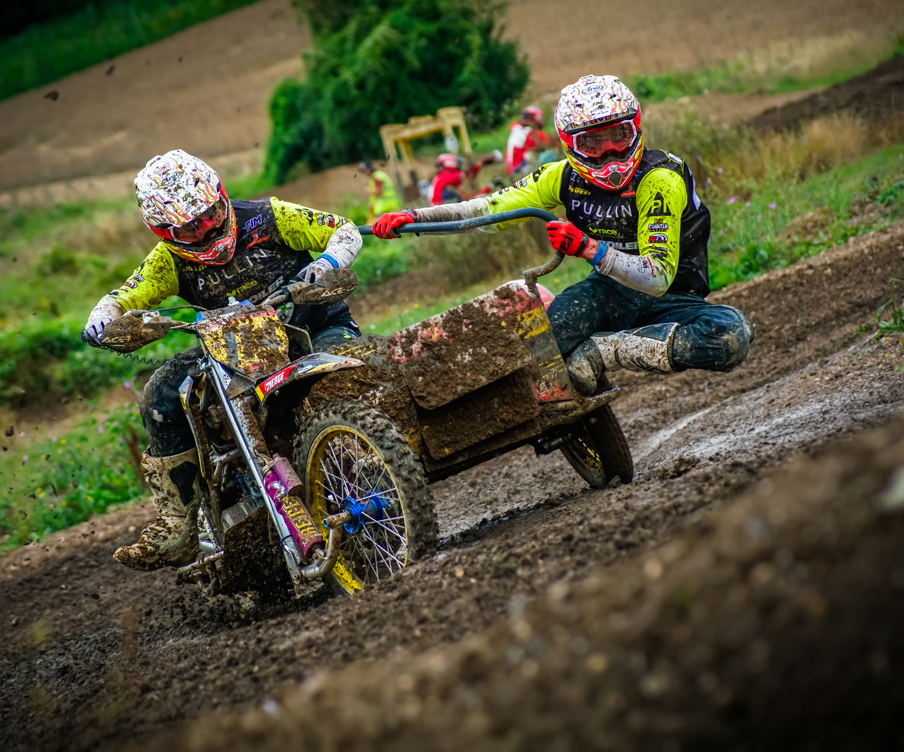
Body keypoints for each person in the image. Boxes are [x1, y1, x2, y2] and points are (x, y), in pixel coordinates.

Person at [374, 74, 753, 394]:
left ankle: (600, 351)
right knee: (539, 350)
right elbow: (488, 207)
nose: (608, 153)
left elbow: (656, 278)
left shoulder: (660, 179)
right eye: (592, 142)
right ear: (571, 143)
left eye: (618, 136)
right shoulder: (563, 176)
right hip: (608, 293)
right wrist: (413, 216)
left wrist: (589, 248)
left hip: (674, 296)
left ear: (635, 128)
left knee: (730, 336)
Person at [84, 150, 363, 571]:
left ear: (220, 196)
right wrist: (103, 318)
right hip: (230, 347)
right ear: (164, 231)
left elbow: (342, 230)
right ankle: (178, 523)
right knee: (160, 396)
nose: (205, 229)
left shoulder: (268, 216)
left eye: (210, 215)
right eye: (190, 227)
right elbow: (126, 295)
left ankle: (377, 457)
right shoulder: (167, 261)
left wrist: (324, 264)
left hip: (312, 327)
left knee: (355, 370)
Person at [505, 105, 558, 178]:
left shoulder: (516, 128)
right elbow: (549, 143)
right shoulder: (532, 133)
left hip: (511, 170)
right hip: (521, 170)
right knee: (553, 153)